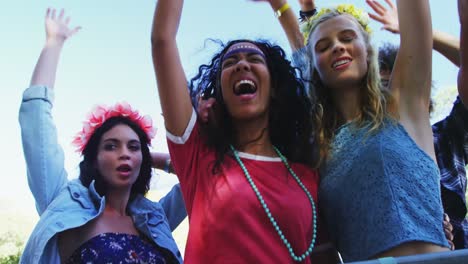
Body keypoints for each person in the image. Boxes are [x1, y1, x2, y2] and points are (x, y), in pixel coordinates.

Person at [257, 0, 451, 261]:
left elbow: (416, 11)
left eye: (347, 38)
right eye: (323, 47)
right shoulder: (319, 151)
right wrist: (279, 5)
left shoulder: (403, 105)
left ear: (368, 52)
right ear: (312, 66)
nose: (337, 46)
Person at [150, 0, 337, 263]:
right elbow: (162, 41)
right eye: (230, 62)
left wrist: (282, 7)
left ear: (274, 87)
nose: (242, 65)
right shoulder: (198, 157)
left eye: (254, 59)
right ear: (220, 94)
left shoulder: (306, 173)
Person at [19, 8, 184, 263]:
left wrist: (155, 159)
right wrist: (54, 42)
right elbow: (35, 118)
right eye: (111, 146)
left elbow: (198, 177)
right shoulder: (63, 201)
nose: (125, 154)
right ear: (93, 158)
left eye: (133, 147)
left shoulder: (156, 218)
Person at [367, 0, 468, 250]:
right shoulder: (359, 158)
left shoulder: (445, 136)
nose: (389, 98)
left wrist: (419, 33)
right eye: (377, 91)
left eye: (392, 86)